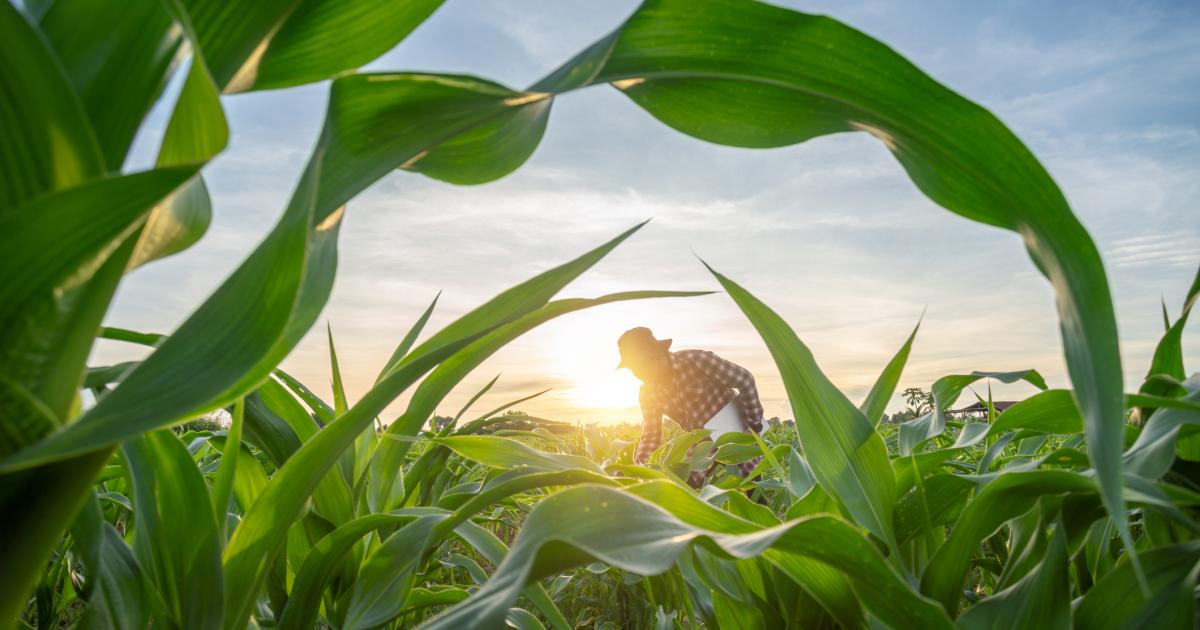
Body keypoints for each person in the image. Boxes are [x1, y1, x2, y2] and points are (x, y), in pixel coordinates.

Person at [616, 326, 764, 484]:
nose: (640, 376)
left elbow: (745, 380)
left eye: (640, 369)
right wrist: (642, 470)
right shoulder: (648, 392)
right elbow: (652, 436)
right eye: (633, 370)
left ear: (656, 357)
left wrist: (754, 426)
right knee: (685, 485)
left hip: (734, 429)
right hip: (700, 441)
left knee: (750, 481)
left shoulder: (696, 360)